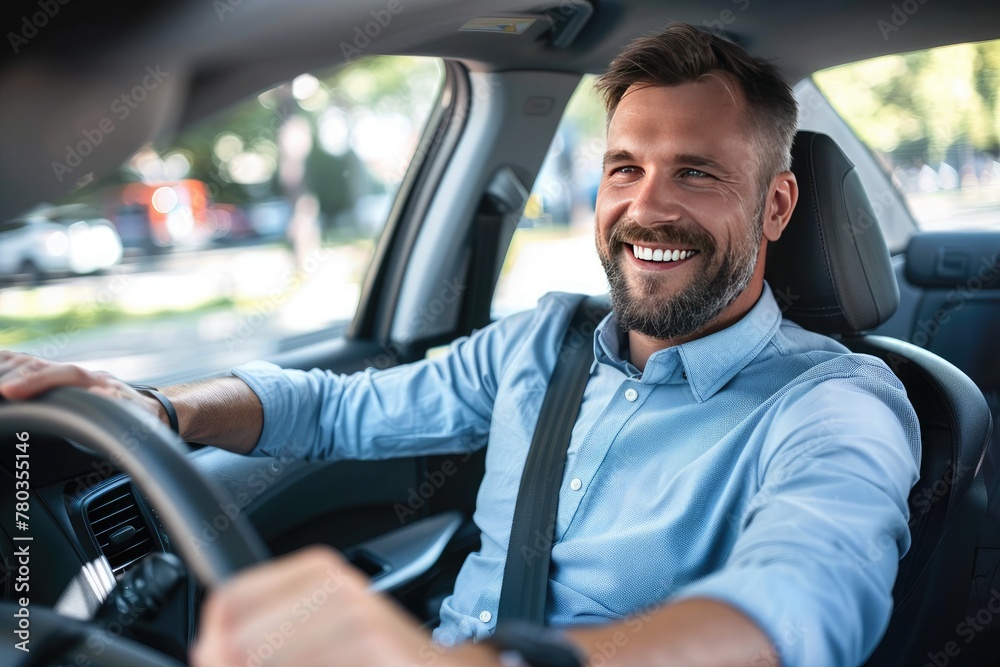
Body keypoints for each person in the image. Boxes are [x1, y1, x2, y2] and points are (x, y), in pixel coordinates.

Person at [0, 22, 919, 667]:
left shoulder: (836, 403)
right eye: (625, 169)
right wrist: (159, 407)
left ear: (777, 206)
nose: (648, 206)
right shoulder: (539, 344)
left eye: (698, 173)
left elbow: (797, 607)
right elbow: (332, 408)